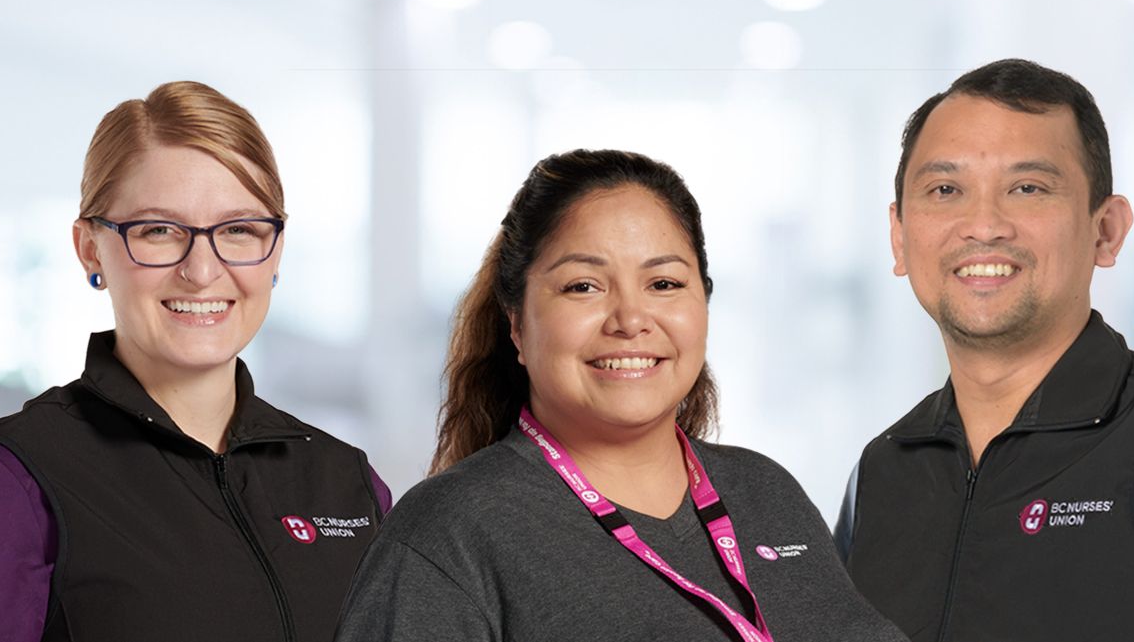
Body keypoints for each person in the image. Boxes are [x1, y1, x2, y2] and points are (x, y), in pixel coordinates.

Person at [333, 149, 905, 641]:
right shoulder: (449, 534)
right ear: (517, 325)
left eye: (664, 284)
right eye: (584, 286)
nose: (631, 319)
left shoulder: (765, 492)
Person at [0, 81, 391, 642]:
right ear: (90, 249)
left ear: (275, 251)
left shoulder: (346, 483)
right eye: (159, 230)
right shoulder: (0, 485)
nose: (202, 270)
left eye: (238, 230)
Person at [836, 58, 1134, 642]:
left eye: (1028, 188)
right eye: (946, 190)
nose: (983, 225)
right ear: (900, 237)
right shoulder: (880, 473)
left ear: (1106, 230)